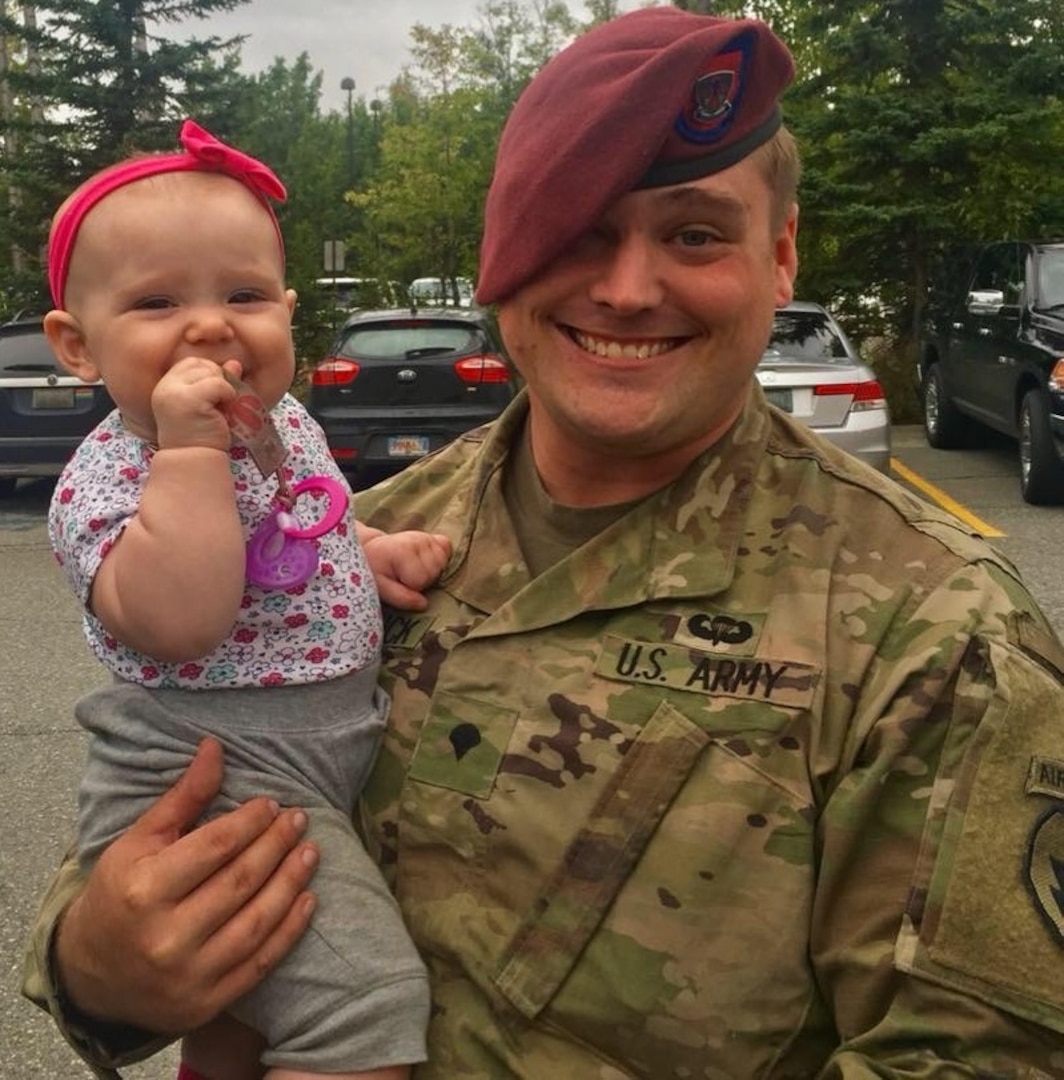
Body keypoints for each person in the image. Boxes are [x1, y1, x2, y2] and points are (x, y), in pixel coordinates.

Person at [23, 8, 1064, 1077]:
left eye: (695, 233)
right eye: (576, 228)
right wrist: (97, 963)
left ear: (779, 255)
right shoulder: (365, 531)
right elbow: (169, 796)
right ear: (504, 251)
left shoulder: (936, 633)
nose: (624, 288)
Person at [30, 120, 448, 1080]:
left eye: (246, 295)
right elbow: (185, 620)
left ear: (290, 312)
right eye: (157, 301)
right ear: (77, 347)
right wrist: (187, 454)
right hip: (219, 771)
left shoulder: (285, 422)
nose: (213, 326)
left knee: (248, 1016)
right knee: (360, 1006)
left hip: (308, 756)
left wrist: (366, 552)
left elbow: (293, 527)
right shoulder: (112, 484)